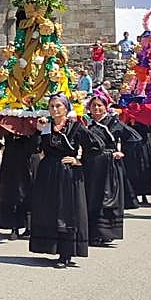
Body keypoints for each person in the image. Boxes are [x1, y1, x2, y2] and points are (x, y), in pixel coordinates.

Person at [30, 95, 91, 268]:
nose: (55, 109)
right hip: (48, 172)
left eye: (58, 106)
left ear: (66, 108)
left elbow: (95, 146)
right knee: (49, 209)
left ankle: (66, 253)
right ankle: (50, 246)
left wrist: (79, 161)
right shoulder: (46, 127)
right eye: (51, 106)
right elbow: (34, 149)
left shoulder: (76, 127)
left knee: (66, 211)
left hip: (67, 174)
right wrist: (37, 131)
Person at [83, 91, 126, 246]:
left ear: (106, 107)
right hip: (92, 165)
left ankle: (107, 232)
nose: (96, 108)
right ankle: (93, 232)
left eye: (99, 105)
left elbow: (130, 137)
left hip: (109, 165)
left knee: (107, 197)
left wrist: (119, 151)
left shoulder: (113, 123)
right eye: (93, 105)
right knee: (92, 196)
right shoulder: (86, 124)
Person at [0, 120, 38, 239]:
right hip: (11, 157)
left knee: (30, 190)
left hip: (30, 157)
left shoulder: (33, 113)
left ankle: (30, 226)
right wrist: (1, 146)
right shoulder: (7, 115)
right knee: (12, 191)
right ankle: (14, 226)